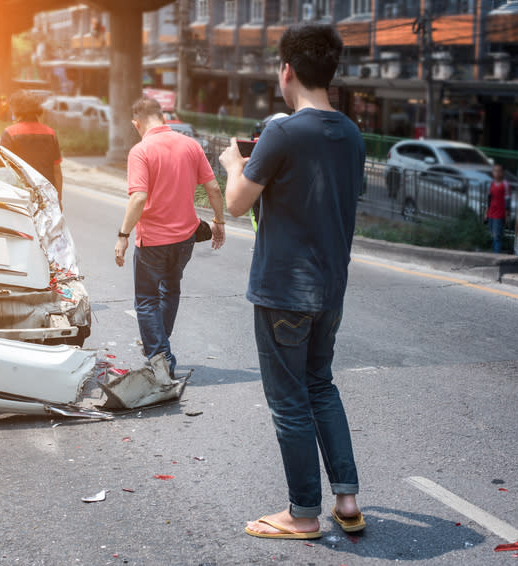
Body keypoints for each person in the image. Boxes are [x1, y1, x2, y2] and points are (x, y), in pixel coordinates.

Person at [218, 23, 365, 540]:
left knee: (289, 403)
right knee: (320, 385)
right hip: (330, 289)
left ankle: (303, 514)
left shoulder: (282, 132)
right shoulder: (350, 132)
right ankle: (346, 500)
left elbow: (238, 204)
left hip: (284, 290)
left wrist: (234, 162)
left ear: (287, 70)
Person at [114, 97, 226, 377]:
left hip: (153, 242)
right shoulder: (190, 145)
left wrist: (123, 235)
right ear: (162, 117)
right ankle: (158, 344)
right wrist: (219, 221)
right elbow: (213, 188)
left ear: (136, 123)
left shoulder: (141, 151)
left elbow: (138, 197)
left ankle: (160, 357)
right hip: (185, 240)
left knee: (146, 299)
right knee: (170, 290)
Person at [0, 90, 63, 204]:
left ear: (16, 109)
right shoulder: (50, 133)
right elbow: (57, 172)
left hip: (21, 195)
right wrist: (58, 200)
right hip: (46, 196)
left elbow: (4, 170)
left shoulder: (10, 133)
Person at [486, 163, 510, 253]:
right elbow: (489, 198)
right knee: (493, 235)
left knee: (497, 236)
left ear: (502, 172)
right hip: (491, 212)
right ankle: (494, 253)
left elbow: (507, 200)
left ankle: (496, 256)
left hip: (499, 214)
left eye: (499, 171)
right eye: (495, 171)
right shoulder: (492, 184)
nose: (497, 173)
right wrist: (486, 212)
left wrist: (506, 215)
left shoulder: (505, 184)